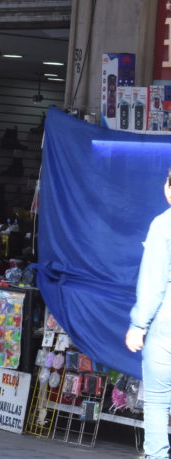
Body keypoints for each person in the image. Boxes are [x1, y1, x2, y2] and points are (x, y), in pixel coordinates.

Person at [127, 170, 171, 459]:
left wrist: (138, 324)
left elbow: (154, 282)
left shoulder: (164, 225)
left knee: (157, 400)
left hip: (166, 326)